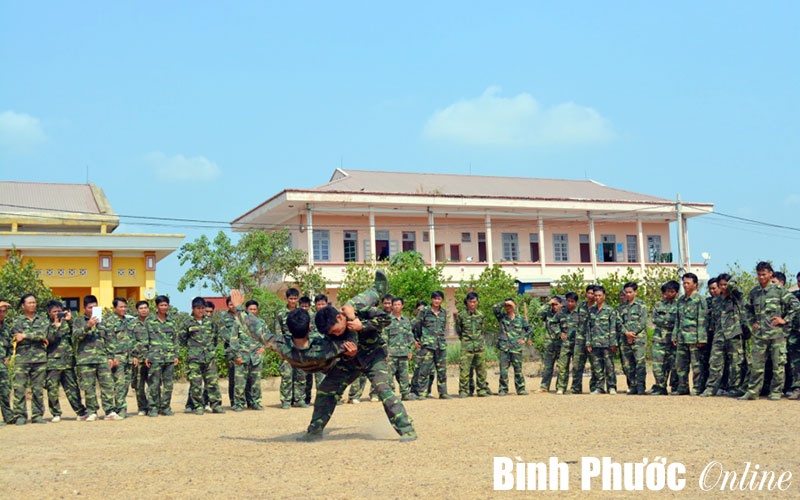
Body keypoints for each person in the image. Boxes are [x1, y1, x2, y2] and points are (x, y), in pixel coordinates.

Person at [296, 270, 417, 442]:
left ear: (340, 317)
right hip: (351, 361)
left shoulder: (357, 309)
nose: (335, 334)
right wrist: (347, 354)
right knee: (325, 389)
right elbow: (333, 347)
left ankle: (407, 429)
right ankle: (314, 432)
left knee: (384, 389)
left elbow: (385, 319)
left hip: (375, 356)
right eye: (331, 333)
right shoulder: (331, 333)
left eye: (335, 330)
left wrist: (363, 325)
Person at [739, 262, 800, 400]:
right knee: (756, 365)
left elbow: (795, 305)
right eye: (759, 274)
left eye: (764, 274)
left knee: (778, 365)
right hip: (760, 335)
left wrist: (784, 320)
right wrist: (752, 322)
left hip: (777, 334)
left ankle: (776, 391)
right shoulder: (754, 292)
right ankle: (753, 392)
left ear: (770, 274)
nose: (761, 277)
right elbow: (747, 309)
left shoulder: (779, 290)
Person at [72, 295, 116, 420]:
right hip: (85, 359)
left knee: (107, 385)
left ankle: (109, 411)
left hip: (102, 358)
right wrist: (88, 325)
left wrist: (111, 357)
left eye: (95, 307)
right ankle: (92, 411)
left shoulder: (103, 321)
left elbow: (109, 339)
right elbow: (75, 336)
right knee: (89, 387)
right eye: (90, 307)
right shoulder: (78, 321)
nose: (93, 309)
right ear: (84, 308)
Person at [701, 274, 745, 397]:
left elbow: (736, 290)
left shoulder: (735, 297)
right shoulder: (716, 301)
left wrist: (730, 283)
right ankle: (711, 388)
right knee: (714, 362)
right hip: (719, 335)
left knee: (735, 363)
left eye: (726, 284)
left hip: (734, 334)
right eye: (721, 285)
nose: (724, 287)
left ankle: (734, 388)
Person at [180, 297, 225, 415]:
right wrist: (193, 349)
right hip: (194, 358)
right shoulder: (187, 322)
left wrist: (210, 350)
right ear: (193, 309)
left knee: (213, 382)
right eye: (198, 308)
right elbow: (182, 339)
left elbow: (215, 338)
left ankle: (216, 405)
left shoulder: (210, 322)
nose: (201, 311)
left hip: (209, 357)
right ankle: (198, 406)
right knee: (196, 383)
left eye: (202, 308)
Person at [10, 294, 50, 424]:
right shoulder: (17, 321)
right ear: (23, 305)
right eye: (29, 303)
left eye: (34, 302)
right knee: (19, 388)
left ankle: (37, 415)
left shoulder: (43, 320)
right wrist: (37, 337)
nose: (33, 305)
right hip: (22, 359)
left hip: (39, 359)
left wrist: (25, 335)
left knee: (37, 389)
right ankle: (20, 415)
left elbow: (44, 334)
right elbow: (17, 336)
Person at [44, 300, 86, 422]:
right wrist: (55, 327)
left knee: (73, 388)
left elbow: (77, 334)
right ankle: (56, 413)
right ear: (49, 313)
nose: (57, 314)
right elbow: (48, 340)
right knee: (52, 390)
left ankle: (80, 411)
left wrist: (70, 320)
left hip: (68, 361)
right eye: (54, 312)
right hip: (53, 362)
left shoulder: (67, 324)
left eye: (59, 311)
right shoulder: (46, 325)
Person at [672, 273, 708, 396]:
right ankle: (683, 387)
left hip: (694, 338)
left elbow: (702, 320)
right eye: (684, 283)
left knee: (697, 366)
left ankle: (697, 388)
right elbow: (678, 319)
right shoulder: (681, 300)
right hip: (682, 338)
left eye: (688, 283)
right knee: (681, 365)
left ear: (695, 284)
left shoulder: (699, 299)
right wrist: (675, 335)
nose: (685, 285)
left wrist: (702, 338)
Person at [144, 295, 179, 417]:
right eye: (161, 305)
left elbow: (175, 340)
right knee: (154, 384)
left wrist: (176, 355)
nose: (164, 307)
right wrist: (146, 356)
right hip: (154, 357)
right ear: (156, 306)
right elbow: (145, 340)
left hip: (169, 357)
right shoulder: (149, 321)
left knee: (168, 385)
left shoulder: (172, 322)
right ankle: (153, 407)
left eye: (166, 305)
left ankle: (165, 407)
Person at [413, 291, 449, 399]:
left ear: (442, 300)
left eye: (439, 299)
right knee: (425, 370)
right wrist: (421, 338)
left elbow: (443, 327)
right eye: (435, 299)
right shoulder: (424, 311)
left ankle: (443, 393)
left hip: (441, 345)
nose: (437, 301)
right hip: (428, 345)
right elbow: (417, 325)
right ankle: (422, 393)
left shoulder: (443, 312)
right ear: (431, 300)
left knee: (442, 370)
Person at [105, 297, 137, 419]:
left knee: (125, 385)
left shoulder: (129, 321)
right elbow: (107, 341)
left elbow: (133, 339)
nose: (123, 309)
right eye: (121, 307)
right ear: (115, 308)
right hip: (117, 358)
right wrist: (110, 357)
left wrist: (135, 355)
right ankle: (120, 409)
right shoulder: (109, 322)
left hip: (128, 357)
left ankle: (119, 407)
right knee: (119, 384)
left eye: (125, 307)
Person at [493, 298, 531, 396]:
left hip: (516, 348)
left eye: (510, 305)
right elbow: (495, 308)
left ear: (514, 306)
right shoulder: (502, 317)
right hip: (504, 347)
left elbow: (529, 329)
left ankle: (521, 389)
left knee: (518, 370)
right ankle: (503, 389)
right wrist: (503, 302)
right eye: (506, 306)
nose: (507, 307)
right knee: (503, 371)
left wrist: (524, 339)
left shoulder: (520, 318)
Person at [455, 292, 490, 398]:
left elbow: (483, 330)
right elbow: (458, 330)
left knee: (481, 369)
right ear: (467, 302)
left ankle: (482, 390)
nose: (472, 304)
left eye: (474, 302)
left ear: (477, 302)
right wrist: (465, 340)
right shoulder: (461, 315)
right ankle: (464, 391)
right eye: (470, 301)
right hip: (467, 346)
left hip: (479, 346)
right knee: (465, 370)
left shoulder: (481, 315)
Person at [276, 288, 306, 408]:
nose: (293, 301)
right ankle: (286, 400)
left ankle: (299, 399)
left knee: (301, 374)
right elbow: (278, 332)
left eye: (295, 298)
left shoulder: (302, 313)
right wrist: (279, 349)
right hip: (286, 348)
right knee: (287, 375)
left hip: (300, 347)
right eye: (291, 298)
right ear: (286, 298)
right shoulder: (281, 313)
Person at [617, 282, 648, 395]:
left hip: (638, 339)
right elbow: (619, 322)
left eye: (630, 292)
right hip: (625, 340)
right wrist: (626, 333)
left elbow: (643, 321)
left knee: (639, 363)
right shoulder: (620, 308)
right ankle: (632, 386)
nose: (628, 294)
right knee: (627, 364)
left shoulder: (641, 305)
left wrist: (632, 333)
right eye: (626, 292)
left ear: (635, 292)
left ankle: (641, 387)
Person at [649, 281, 680, 395]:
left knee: (675, 365)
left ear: (676, 292)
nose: (670, 294)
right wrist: (669, 321)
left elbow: (679, 321)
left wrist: (665, 321)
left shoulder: (679, 305)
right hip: (659, 339)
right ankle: (660, 386)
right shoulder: (658, 305)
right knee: (658, 366)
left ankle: (675, 387)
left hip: (674, 340)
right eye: (668, 291)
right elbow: (655, 319)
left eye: (672, 291)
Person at [586, 286, 617, 395]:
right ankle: (599, 387)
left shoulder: (610, 310)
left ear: (604, 296)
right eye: (595, 295)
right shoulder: (591, 311)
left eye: (599, 295)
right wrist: (588, 342)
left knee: (609, 366)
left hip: (607, 343)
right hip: (595, 343)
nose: (597, 297)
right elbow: (589, 328)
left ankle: (611, 386)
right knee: (597, 367)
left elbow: (613, 327)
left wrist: (613, 343)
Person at [571, 285, 598, 394]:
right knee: (577, 365)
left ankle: (594, 388)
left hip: (593, 340)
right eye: (589, 293)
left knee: (595, 365)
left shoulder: (598, 307)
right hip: (580, 340)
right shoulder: (581, 306)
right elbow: (575, 321)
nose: (591, 296)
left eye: (593, 293)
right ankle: (576, 388)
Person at [539, 296, 566, 392]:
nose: (554, 306)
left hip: (561, 344)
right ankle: (544, 387)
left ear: (561, 304)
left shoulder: (564, 314)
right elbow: (539, 313)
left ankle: (560, 387)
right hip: (549, 343)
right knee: (547, 367)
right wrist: (548, 303)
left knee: (561, 367)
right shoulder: (548, 314)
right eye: (553, 305)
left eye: (556, 304)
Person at [555, 292, 579, 395]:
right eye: (568, 301)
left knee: (577, 366)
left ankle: (576, 388)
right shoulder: (561, 312)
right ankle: (561, 387)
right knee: (562, 366)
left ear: (576, 302)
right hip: (565, 344)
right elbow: (552, 323)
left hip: (577, 344)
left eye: (572, 301)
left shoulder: (580, 312)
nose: (570, 303)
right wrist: (559, 333)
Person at [130, 300, 151, 415]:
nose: (144, 310)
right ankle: (142, 407)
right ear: (137, 310)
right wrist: (133, 356)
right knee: (139, 385)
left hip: (151, 358)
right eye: (141, 308)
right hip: (138, 358)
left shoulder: (153, 322)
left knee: (153, 384)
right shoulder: (132, 324)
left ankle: (153, 406)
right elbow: (129, 341)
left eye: (145, 308)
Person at [0, 299, 13, 425]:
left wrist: (8, 357)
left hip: (2, 365)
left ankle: (8, 417)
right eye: (0, 311)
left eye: (4, 311)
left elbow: (9, 346)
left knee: (5, 391)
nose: (2, 314)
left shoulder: (5, 328)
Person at [788, 272, 800, 400]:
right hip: (796, 334)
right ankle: (797, 388)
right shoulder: (793, 297)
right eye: (799, 281)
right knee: (795, 363)